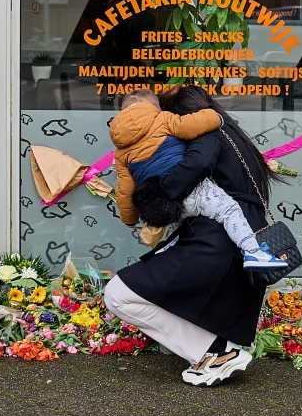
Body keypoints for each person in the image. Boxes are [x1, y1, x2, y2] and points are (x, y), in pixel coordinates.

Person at [102, 85, 273, 386]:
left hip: (216, 239)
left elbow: (195, 164)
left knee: (119, 294)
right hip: (237, 235)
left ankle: (215, 353)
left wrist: (157, 200)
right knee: (134, 291)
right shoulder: (233, 134)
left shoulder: (207, 133)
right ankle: (217, 351)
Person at [108, 89, 288, 271]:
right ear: (155, 108)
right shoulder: (163, 119)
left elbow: (124, 190)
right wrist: (215, 116)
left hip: (168, 204)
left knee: (176, 230)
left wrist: (130, 219)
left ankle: (163, 257)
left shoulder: (121, 153)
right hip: (194, 191)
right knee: (228, 210)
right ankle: (253, 252)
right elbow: (189, 126)